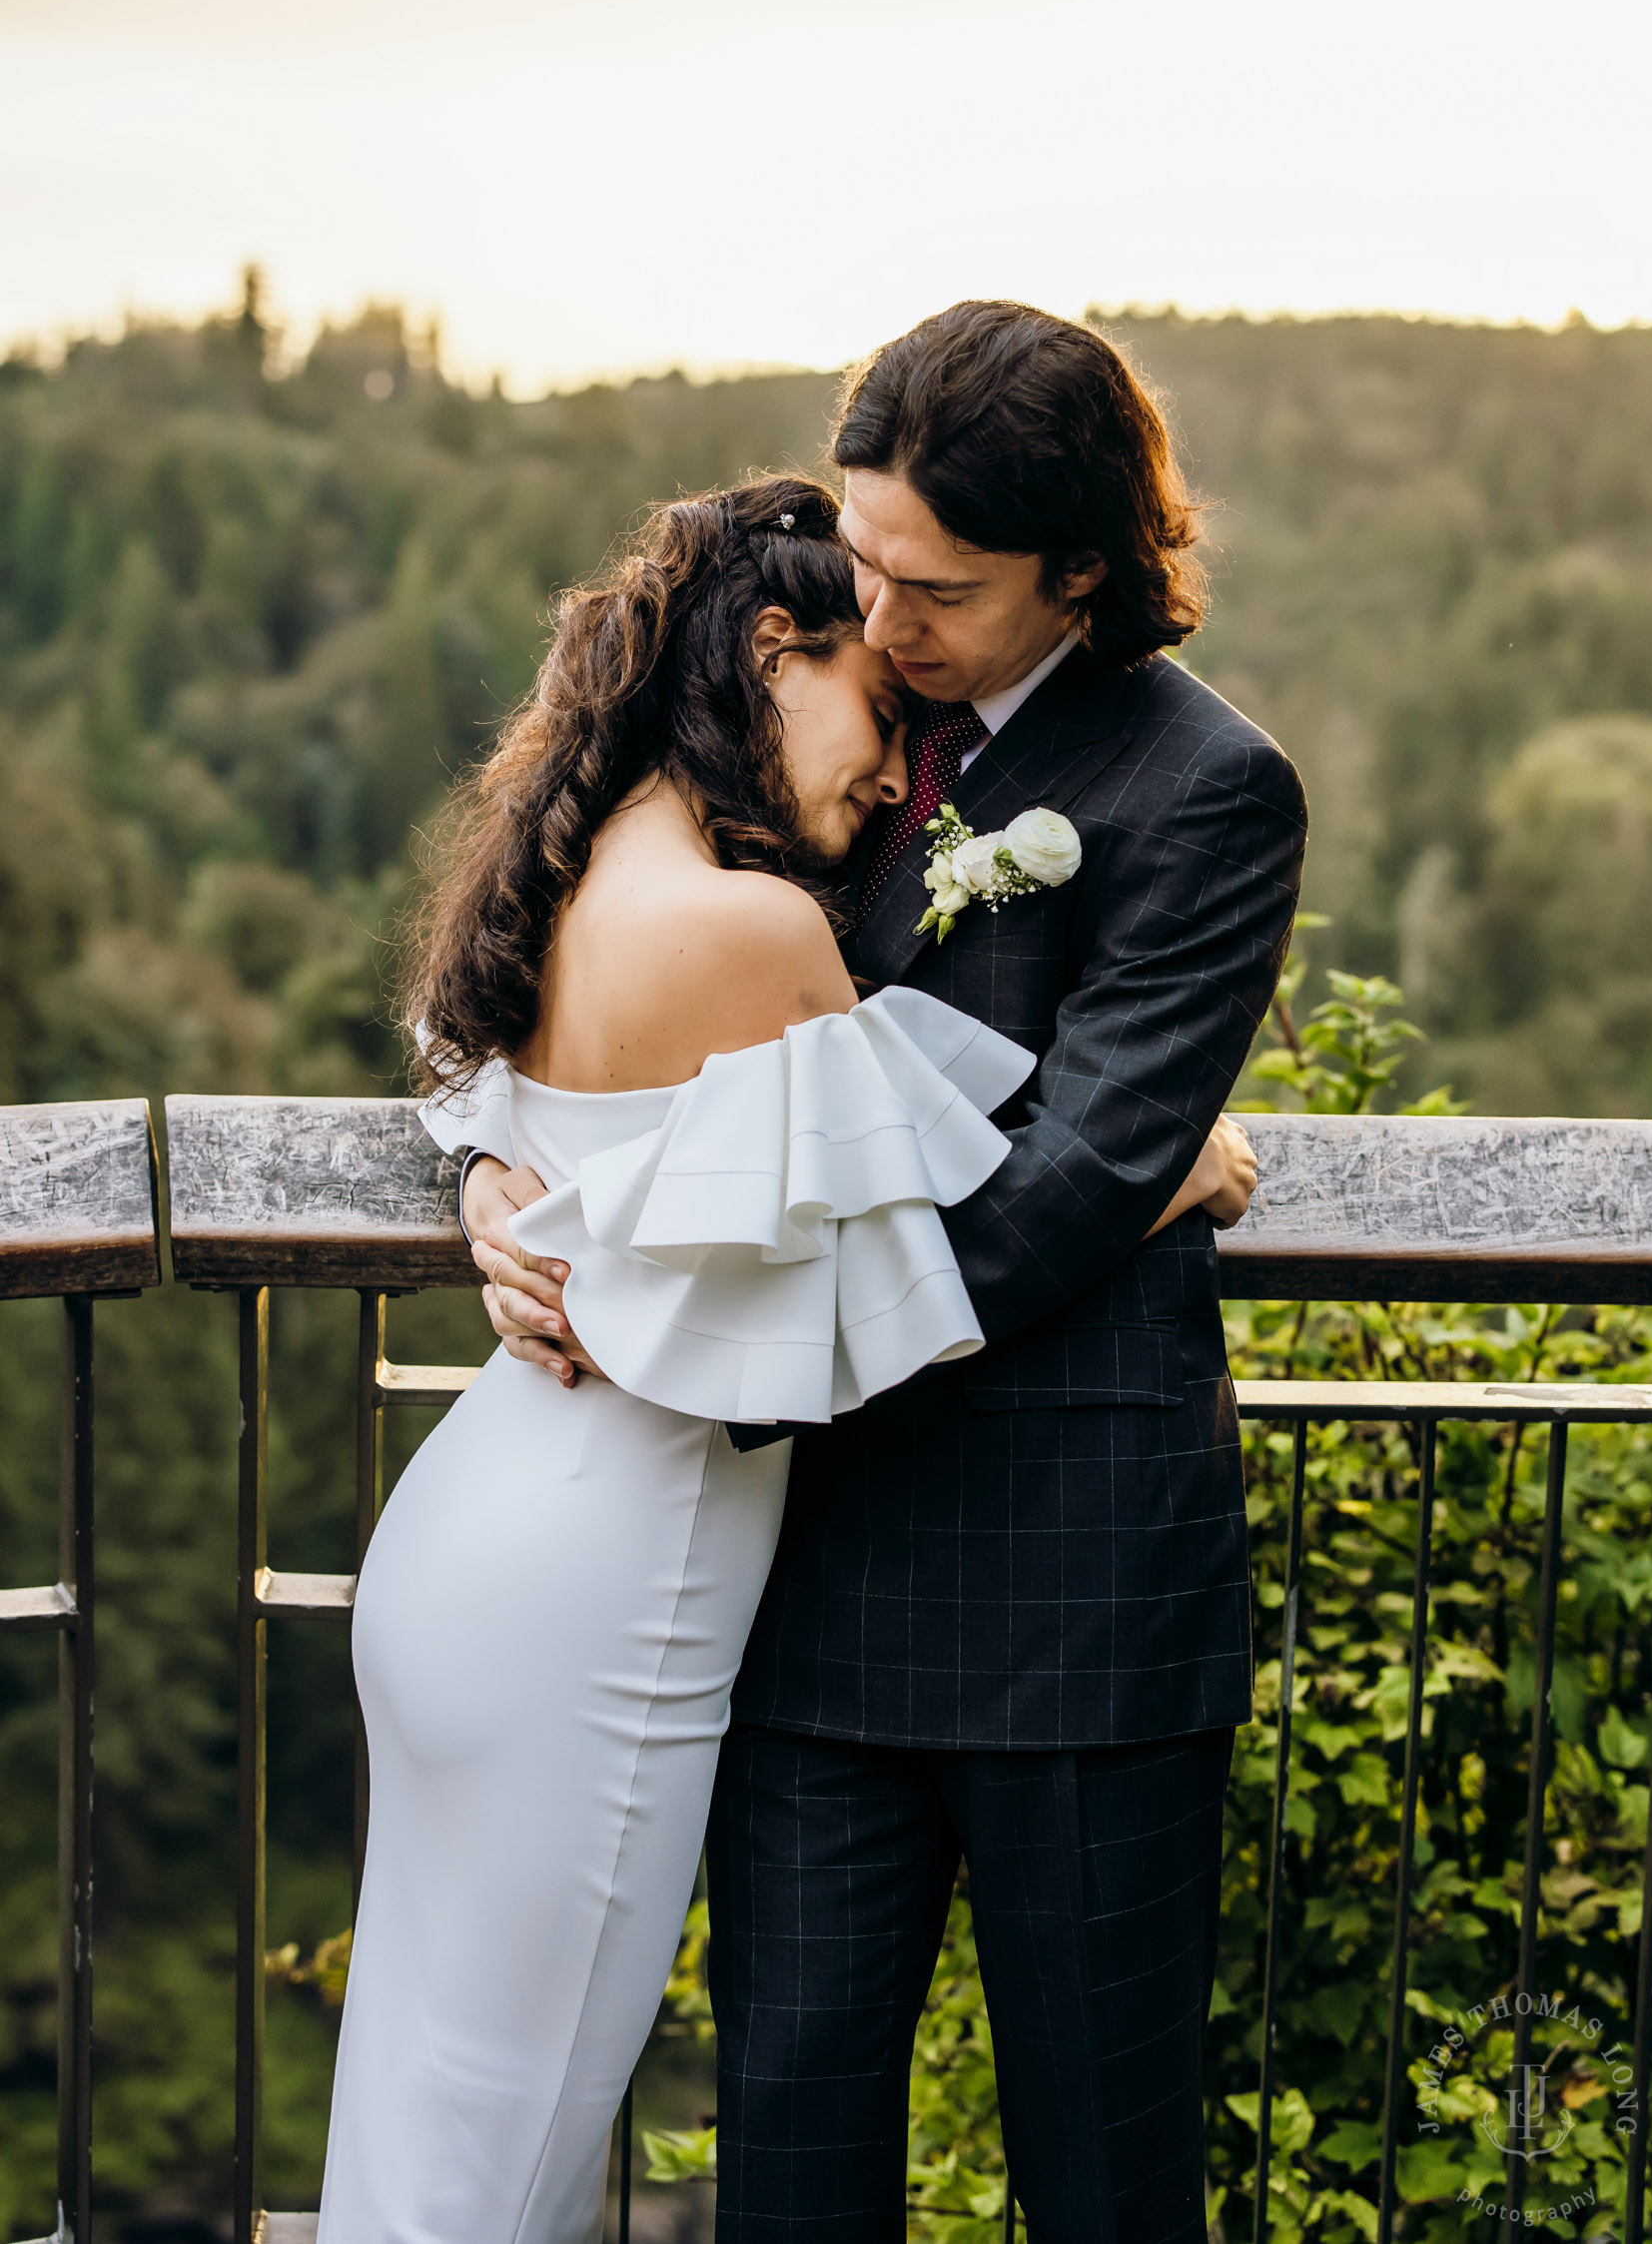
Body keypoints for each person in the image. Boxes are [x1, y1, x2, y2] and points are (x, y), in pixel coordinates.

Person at [320, 467, 1251, 2244]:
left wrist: (495, 1171)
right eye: (875, 704)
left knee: (426, 2112)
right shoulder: (755, 930)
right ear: (771, 648)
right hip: (611, 1580)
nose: (901, 770)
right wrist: (1163, 1167)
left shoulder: (580, 863)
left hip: (474, 1531)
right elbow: (909, 1242)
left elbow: (463, 1051)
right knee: (508, 2158)